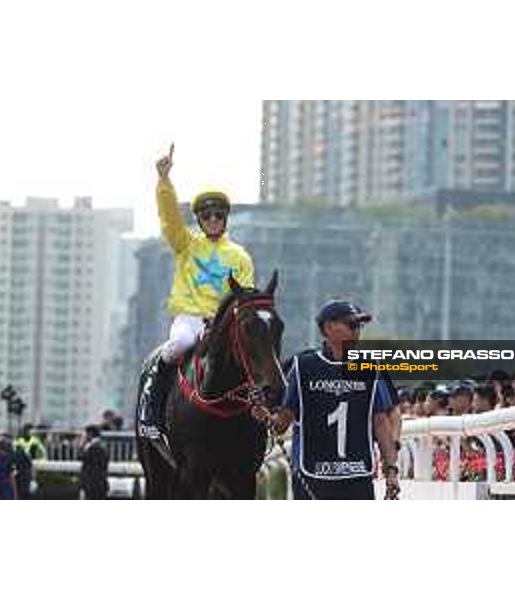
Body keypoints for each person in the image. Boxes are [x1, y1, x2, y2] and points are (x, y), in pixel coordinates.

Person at [138, 144, 255, 455]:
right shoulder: (186, 245)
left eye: (219, 214)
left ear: (226, 218)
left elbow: (245, 299)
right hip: (190, 319)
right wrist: (164, 179)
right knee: (176, 347)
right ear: (200, 219)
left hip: (223, 323)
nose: (213, 219)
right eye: (207, 215)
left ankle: (262, 414)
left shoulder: (240, 255)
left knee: (252, 354)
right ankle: (152, 406)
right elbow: (169, 219)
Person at [265, 300, 400, 500]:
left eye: (359, 326)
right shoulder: (303, 367)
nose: (357, 331)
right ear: (328, 328)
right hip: (312, 476)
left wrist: (391, 471)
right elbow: (281, 424)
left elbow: (380, 422)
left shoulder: (369, 367)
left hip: (357, 476)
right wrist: (264, 417)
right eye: (351, 325)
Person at [78, 426, 109, 500]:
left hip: (92, 485)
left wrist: (81, 444)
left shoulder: (94, 447)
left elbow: (81, 457)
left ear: (90, 434)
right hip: (98, 484)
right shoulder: (100, 446)